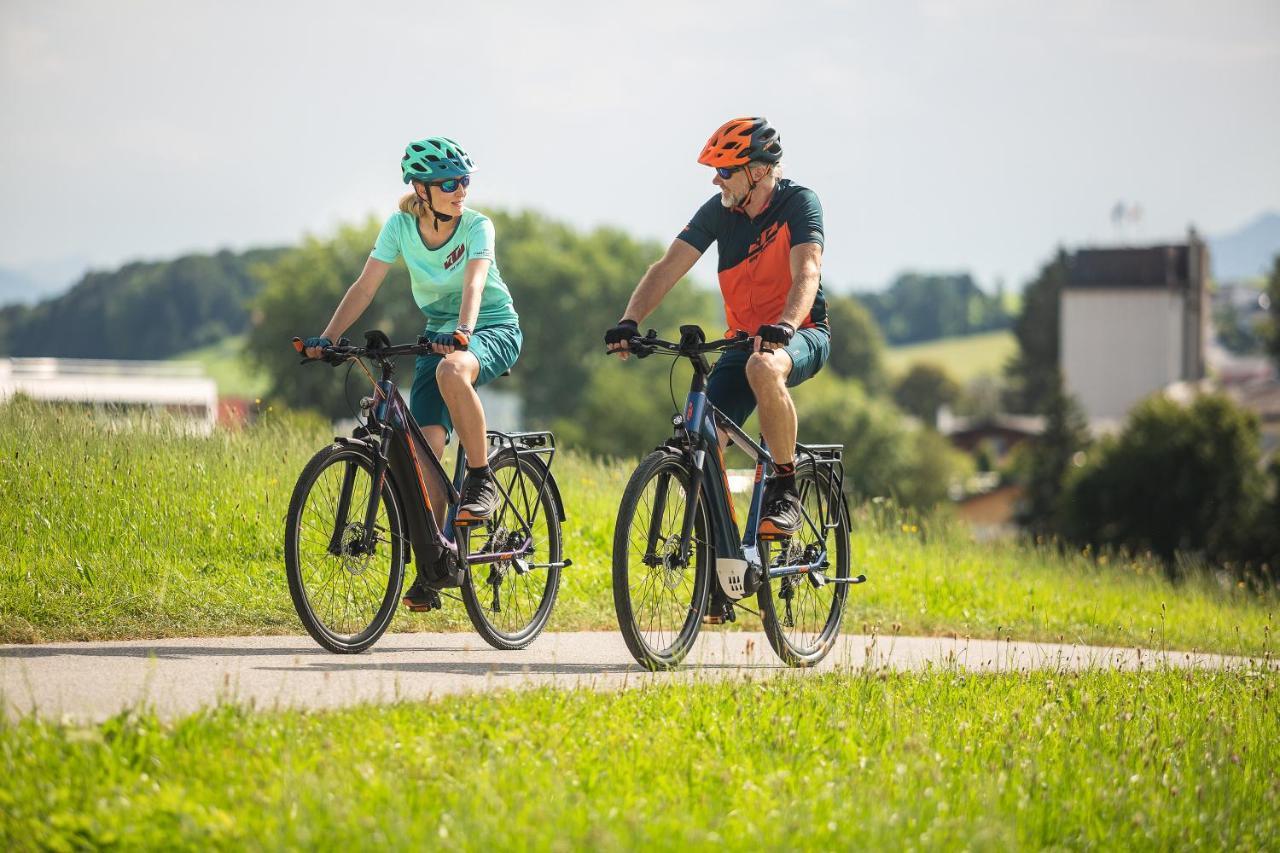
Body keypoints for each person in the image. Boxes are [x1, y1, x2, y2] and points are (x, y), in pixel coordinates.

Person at [301, 136, 522, 608]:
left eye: (464, 180)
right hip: (437, 336)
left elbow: (475, 280)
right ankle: (434, 563)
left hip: (491, 327)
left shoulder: (478, 226)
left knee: (450, 372)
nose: (461, 190)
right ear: (421, 190)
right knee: (426, 449)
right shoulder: (400, 227)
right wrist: (329, 337)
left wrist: (464, 330)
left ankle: (481, 478)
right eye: (449, 182)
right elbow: (365, 286)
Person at [604, 117, 830, 538]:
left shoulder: (799, 203)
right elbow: (668, 266)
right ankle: (723, 570)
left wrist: (785, 324)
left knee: (764, 368)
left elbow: (808, 272)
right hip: (742, 341)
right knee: (704, 439)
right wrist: (629, 320)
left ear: (758, 170)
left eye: (725, 171)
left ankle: (785, 488)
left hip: (801, 331)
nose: (715, 181)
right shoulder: (720, 213)